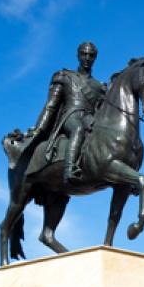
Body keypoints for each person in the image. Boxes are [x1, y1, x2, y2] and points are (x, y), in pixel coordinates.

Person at [30, 41, 106, 183]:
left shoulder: (99, 86)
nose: (87, 58)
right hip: (70, 116)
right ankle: (69, 168)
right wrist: (39, 128)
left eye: (91, 55)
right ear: (78, 55)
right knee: (78, 129)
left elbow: (101, 111)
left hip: (90, 118)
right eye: (84, 54)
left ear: (95, 58)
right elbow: (51, 105)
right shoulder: (64, 76)